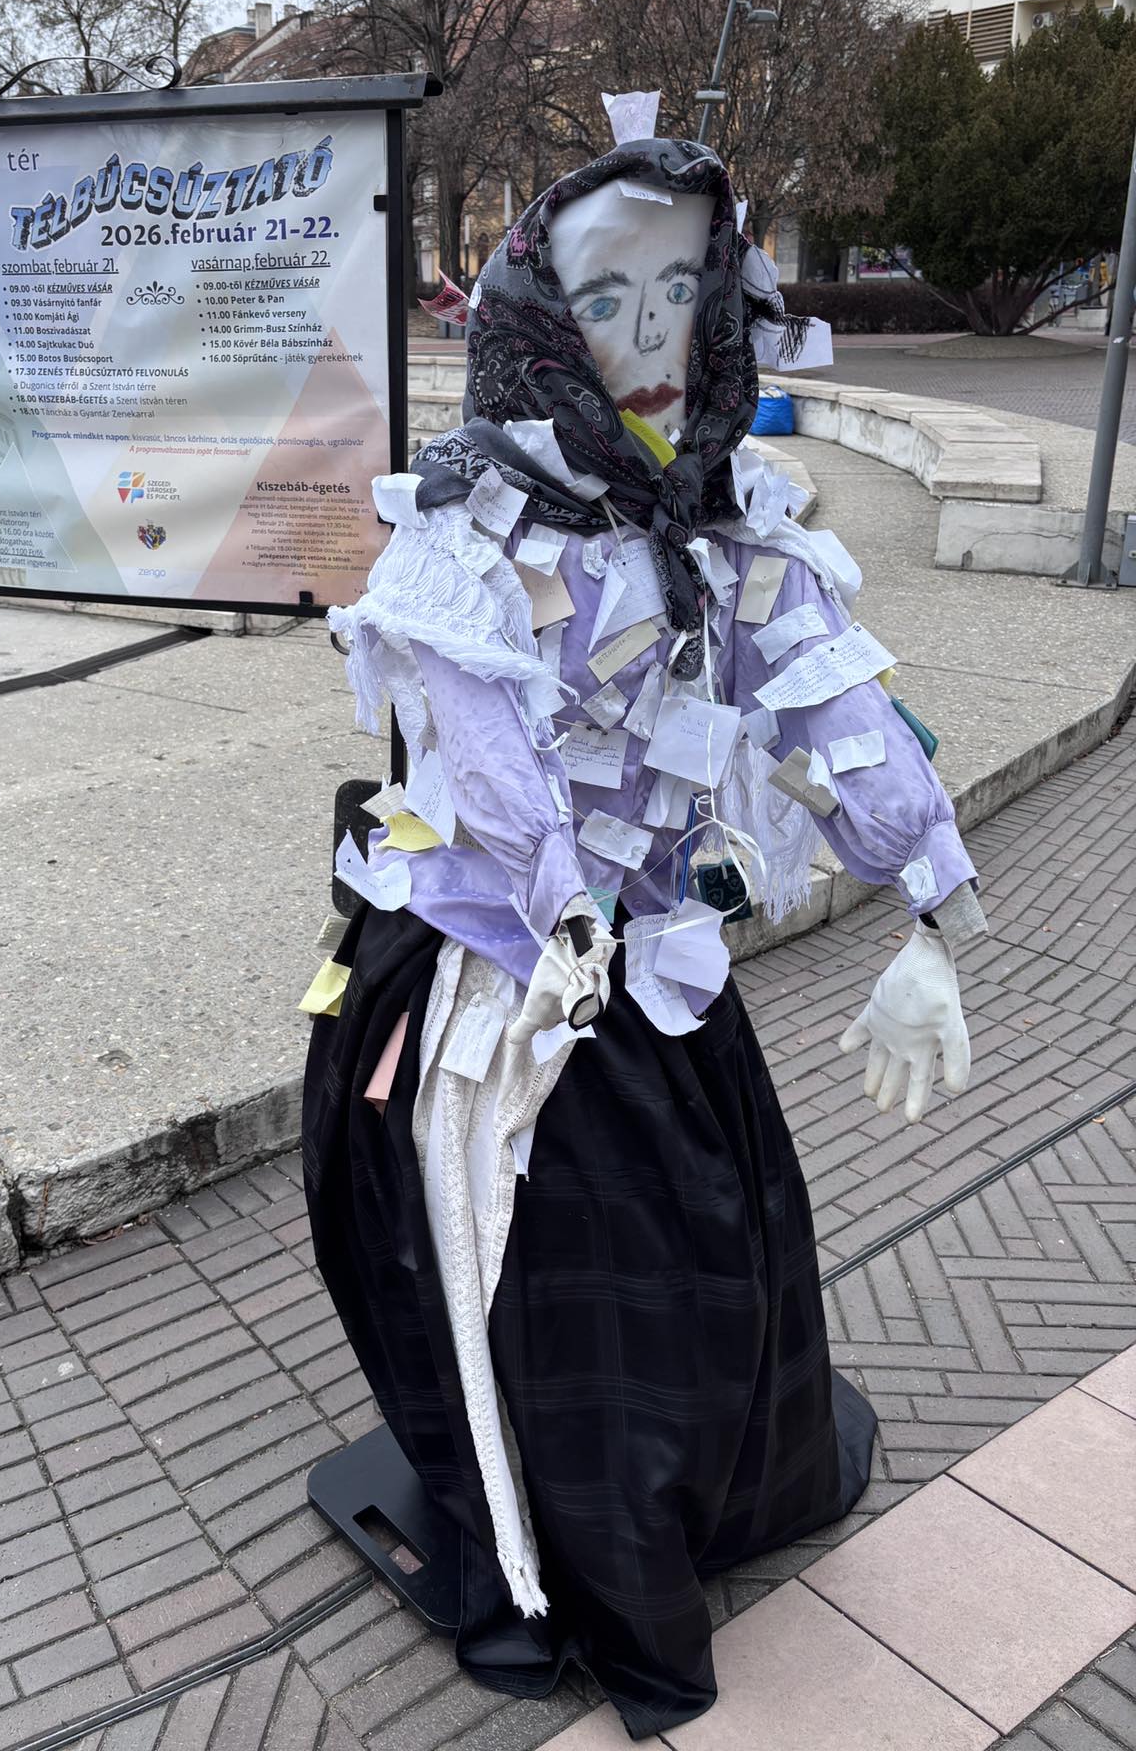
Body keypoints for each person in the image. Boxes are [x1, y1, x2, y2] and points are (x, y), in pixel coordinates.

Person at [301, 132, 986, 1740]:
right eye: (607, 297)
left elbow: (836, 708)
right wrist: (569, 931)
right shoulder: (468, 537)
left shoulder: (737, 524)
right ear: (543, 316)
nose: (655, 334)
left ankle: (697, 1486)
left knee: (718, 1248)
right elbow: (494, 780)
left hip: (655, 970)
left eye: (683, 288)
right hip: (504, 976)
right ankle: (550, 1541)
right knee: (541, 1272)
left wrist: (931, 908)